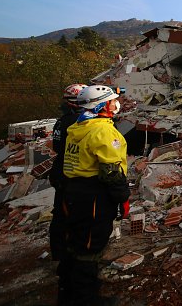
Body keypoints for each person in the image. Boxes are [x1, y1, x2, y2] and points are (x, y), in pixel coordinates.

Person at [62, 85, 130, 305]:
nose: (116, 104)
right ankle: (86, 299)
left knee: (77, 242)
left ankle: (69, 293)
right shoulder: (103, 131)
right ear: (101, 105)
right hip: (93, 196)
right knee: (90, 248)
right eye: (111, 101)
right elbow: (111, 171)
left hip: (73, 191)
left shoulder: (78, 126)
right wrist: (123, 197)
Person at [50, 83, 87, 304]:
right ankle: (70, 262)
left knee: (60, 215)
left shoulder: (61, 121)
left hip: (61, 174)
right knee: (72, 221)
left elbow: (56, 147)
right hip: (72, 177)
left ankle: (62, 255)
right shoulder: (77, 122)